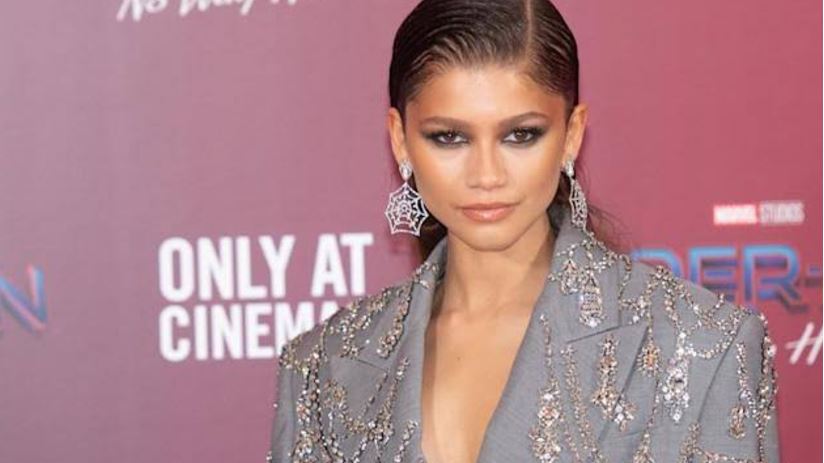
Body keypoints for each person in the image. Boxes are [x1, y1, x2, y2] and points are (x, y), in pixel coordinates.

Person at [267, 0, 780, 462]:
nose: (486, 175)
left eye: (520, 135)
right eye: (449, 137)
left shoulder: (701, 344)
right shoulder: (323, 366)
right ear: (401, 140)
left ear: (571, 134)